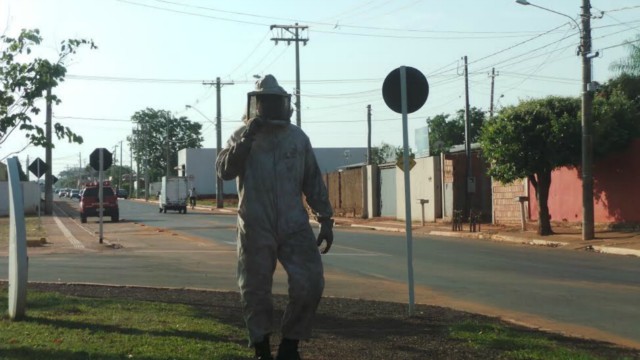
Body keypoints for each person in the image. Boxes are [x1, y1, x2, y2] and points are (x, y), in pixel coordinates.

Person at [216, 74, 334, 360]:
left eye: (274, 102)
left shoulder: (297, 138)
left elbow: (312, 181)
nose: (269, 108)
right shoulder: (240, 136)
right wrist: (247, 138)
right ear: (255, 105)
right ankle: (261, 348)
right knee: (255, 289)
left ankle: (290, 345)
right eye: (263, 102)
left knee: (311, 281)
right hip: (255, 224)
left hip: (294, 224)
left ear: (284, 104)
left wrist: (325, 217)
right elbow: (224, 171)